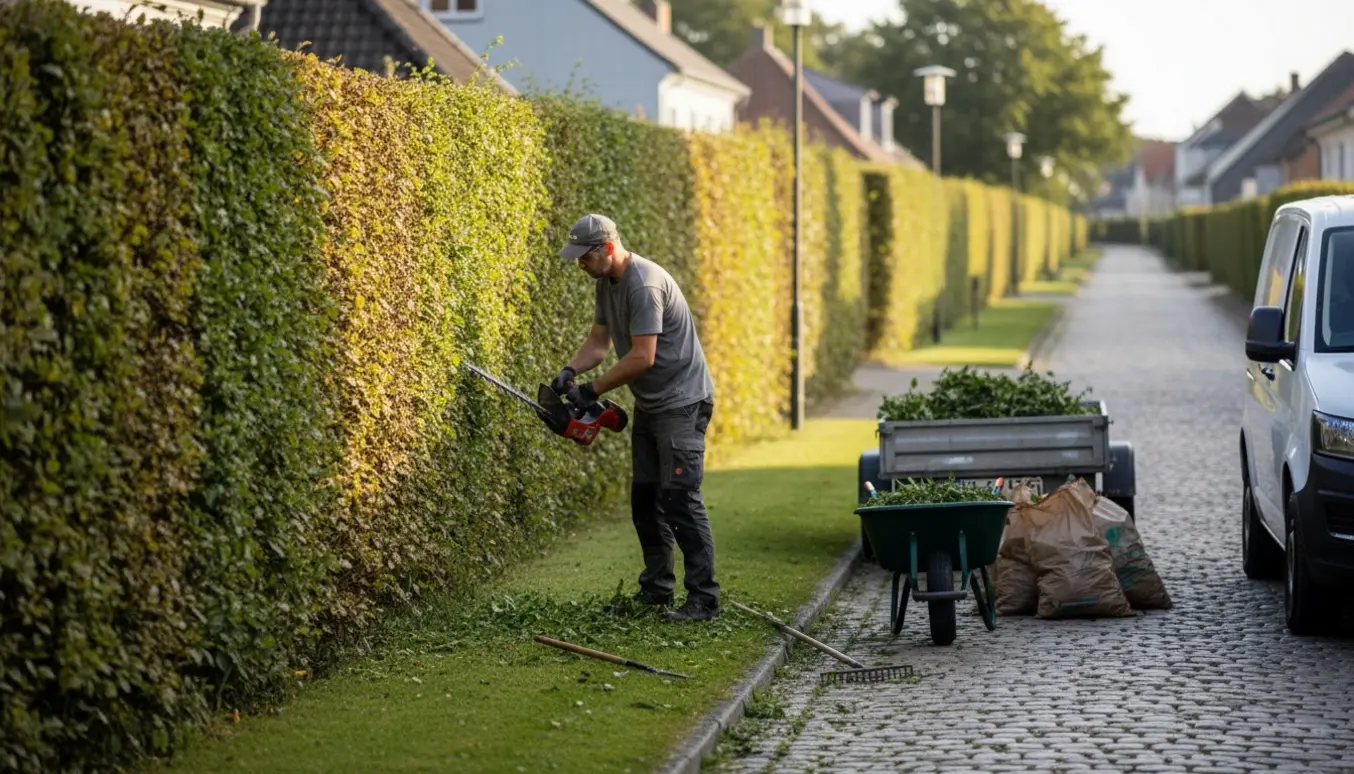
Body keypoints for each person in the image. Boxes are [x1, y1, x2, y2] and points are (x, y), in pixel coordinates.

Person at [553, 214, 720, 623]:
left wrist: (592, 392)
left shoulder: (644, 284)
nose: (580, 265)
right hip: (652, 405)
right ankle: (657, 590)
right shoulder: (606, 283)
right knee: (645, 500)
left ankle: (703, 598)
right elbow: (598, 342)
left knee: (679, 497)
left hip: (683, 403)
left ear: (607, 249)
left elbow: (642, 357)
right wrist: (571, 371)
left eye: (584, 258)